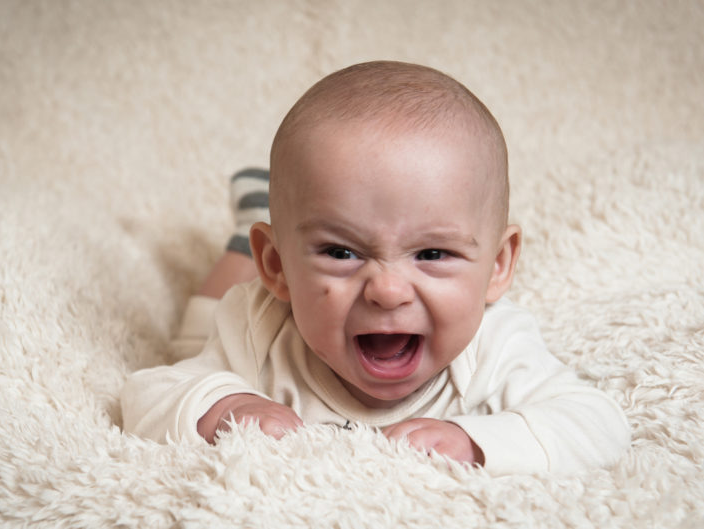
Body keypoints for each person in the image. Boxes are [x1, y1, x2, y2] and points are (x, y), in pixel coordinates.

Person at [121, 61, 630, 475]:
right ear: (275, 265)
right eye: (342, 252)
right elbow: (149, 393)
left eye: (432, 254)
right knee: (195, 328)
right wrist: (225, 408)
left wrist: (474, 442)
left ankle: (278, 215)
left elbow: (598, 424)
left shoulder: (497, 346)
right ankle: (247, 233)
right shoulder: (258, 324)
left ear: (497, 265)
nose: (387, 292)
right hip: (250, 305)